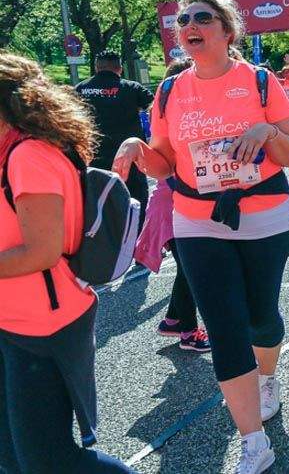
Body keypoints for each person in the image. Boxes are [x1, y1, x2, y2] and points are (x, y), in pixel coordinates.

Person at [112, 0, 289, 474]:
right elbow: (165, 165)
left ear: (226, 31)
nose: (190, 25)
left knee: (261, 318)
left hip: (263, 213)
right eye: (184, 20)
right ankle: (254, 441)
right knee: (223, 328)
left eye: (203, 17)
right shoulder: (168, 92)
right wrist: (138, 147)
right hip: (196, 219)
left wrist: (266, 133)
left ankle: (266, 377)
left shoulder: (259, 82)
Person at [0, 52, 136, 474]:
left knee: (50, 462)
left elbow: (41, 250)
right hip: (14, 319)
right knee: (11, 459)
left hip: (42, 323)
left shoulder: (29, 155)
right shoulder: (12, 149)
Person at [142, 58, 211, 354]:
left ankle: (173, 319)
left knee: (188, 268)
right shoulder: (175, 114)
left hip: (169, 203)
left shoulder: (178, 111)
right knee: (193, 269)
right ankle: (188, 332)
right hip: (175, 203)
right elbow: (169, 169)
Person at [75, 51, 154, 227]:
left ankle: (108, 239)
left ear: (97, 67)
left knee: (100, 202)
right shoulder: (131, 87)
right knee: (136, 201)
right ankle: (136, 239)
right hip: (129, 157)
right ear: (119, 68)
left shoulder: (81, 89)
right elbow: (156, 107)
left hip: (94, 159)